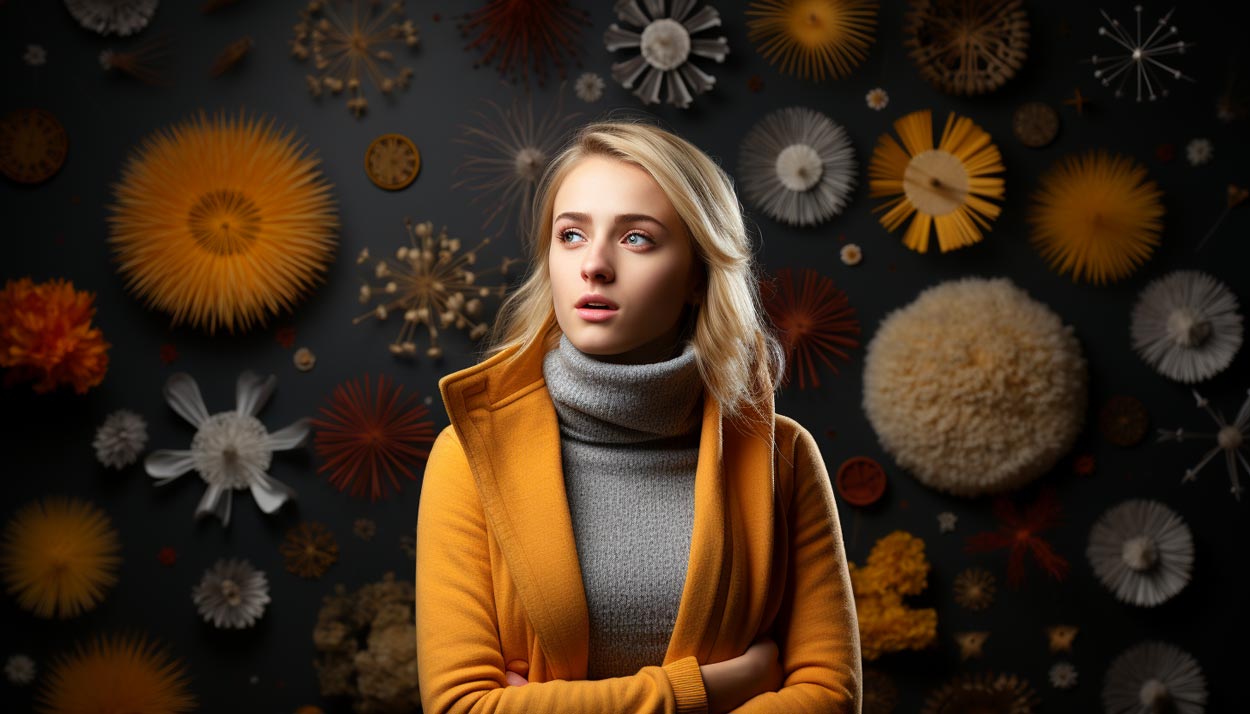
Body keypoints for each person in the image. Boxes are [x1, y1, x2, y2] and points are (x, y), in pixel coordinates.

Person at [415, 120, 861, 713]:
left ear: (699, 276)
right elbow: (461, 708)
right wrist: (702, 692)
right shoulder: (469, 455)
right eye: (570, 234)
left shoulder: (783, 456)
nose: (594, 265)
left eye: (636, 239)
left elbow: (829, 698)